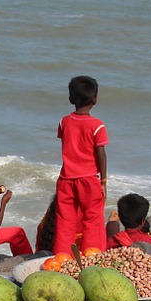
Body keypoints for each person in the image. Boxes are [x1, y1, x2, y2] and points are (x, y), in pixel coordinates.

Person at [52, 75, 108, 254]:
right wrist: (104, 180)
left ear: (71, 99)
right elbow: (100, 154)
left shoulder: (64, 122)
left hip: (66, 179)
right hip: (88, 179)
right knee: (93, 220)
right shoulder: (97, 125)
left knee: (65, 221)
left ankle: (63, 258)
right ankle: (93, 256)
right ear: (95, 99)